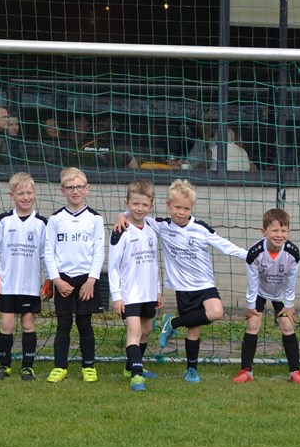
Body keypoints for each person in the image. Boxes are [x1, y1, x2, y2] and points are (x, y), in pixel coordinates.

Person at [143, 179, 247, 383]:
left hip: (205, 284)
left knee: (216, 312)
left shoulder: (200, 228)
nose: (181, 212)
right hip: (183, 288)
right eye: (177, 207)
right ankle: (191, 370)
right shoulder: (162, 226)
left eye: (186, 208)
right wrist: (121, 216)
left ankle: (172, 322)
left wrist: (249, 255)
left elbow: (224, 245)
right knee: (194, 329)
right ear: (168, 205)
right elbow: (137, 215)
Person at [43, 167, 106, 383]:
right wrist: (57, 280)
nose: (75, 191)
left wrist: (91, 281)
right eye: (70, 187)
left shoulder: (95, 219)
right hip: (64, 280)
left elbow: (99, 252)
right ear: (62, 190)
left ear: (87, 188)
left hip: (86, 280)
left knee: (84, 324)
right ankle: (60, 366)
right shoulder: (56, 219)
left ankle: (88, 366)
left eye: (79, 187)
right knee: (63, 325)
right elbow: (48, 252)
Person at [0, 172, 52, 382]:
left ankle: (27, 367)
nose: (25, 197)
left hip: (29, 285)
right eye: (21, 193)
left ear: (35, 193)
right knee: (6, 325)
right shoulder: (4, 220)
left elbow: (45, 255)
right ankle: (4, 365)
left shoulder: (42, 223)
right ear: (12, 195)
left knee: (28, 325)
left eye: (29, 193)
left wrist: (48, 279)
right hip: (7, 284)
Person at [234, 208, 300, 384]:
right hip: (260, 291)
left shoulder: (293, 253)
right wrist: (251, 305)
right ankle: (246, 370)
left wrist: (289, 304)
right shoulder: (255, 253)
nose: (279, 235)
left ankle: (294, 372)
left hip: (281, 293)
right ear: (264, 231)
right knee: (253, 324)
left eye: (283, 230)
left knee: (287, 325)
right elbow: (252, 282)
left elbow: (291, 280)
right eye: (274, 230)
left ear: (288, 231)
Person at [108, 179, 164, 392]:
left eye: (144, 204)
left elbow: (154, 262)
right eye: (135, 204)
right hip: (129, 293)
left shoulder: (151, 228)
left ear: (151, 205)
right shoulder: (120, 230)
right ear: (127, 203)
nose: (139, 208)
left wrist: (157, 290)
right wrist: (116, 296)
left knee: (146, 330)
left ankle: (130, 366)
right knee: (134, 330)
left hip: (148, 292)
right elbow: (113, 266)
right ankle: (137, 375)